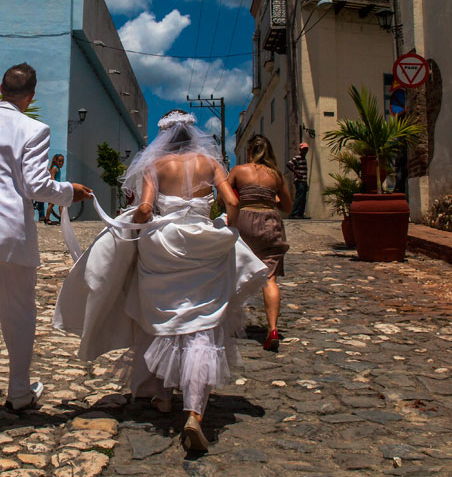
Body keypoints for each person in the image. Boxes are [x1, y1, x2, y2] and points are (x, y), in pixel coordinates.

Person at [54, 110, 268, 452]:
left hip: (164, 247)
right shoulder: (211, 164)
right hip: (203, 246)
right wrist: (227, 223)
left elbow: (145, 209)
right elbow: (232, 201)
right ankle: (194, 413)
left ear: (164, 139)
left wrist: (133, 221)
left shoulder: (156, 166)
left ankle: (163, 396)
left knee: (163, 317)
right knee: (201, 325)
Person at [0, 63, 93, 448]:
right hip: (10, 235)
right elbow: (37, 186)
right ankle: (20, 391)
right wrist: (70, 191)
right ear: (31, 96)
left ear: (0, 89)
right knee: (19, 315)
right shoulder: (34, 129)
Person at [226, 135, 292, 351]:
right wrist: (271, 198)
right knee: (270, 280)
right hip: (270, 222)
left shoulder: (238, 171)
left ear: (249, 151)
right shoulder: (276, 176)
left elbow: (223, 198)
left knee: (233, 272)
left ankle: (225, 325)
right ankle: (272, 329)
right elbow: (288, 208)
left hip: (244, 222)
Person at [286, 142, 310, 218]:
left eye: (306, 149)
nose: (304, 151)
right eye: (303, 149)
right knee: (299, 197)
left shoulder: (304, 159)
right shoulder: (297, 157)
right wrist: (296, 173)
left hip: (304, 181)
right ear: (300, 150)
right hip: (299, 181)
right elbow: (289, 164)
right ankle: (294, 213)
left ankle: (300, 214)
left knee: (303, 198)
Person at [43, 154, 65, 225]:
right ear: (56, 161)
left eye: (62, 161)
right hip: (54, 188)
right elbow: (52, 177)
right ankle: (46, 219)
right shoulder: (55, 168)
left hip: (57, 188)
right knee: (52, 204)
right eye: (59, 161)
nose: (61, 163)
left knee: (61, 204)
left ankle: (62, 219)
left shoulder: (57, 168)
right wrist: (56, 186)